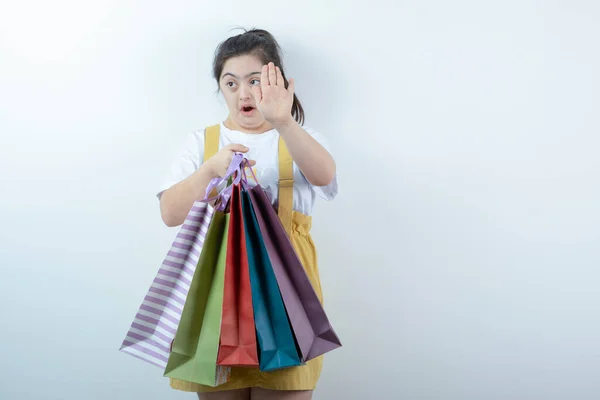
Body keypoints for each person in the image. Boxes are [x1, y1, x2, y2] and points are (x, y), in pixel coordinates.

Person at [156, 28, 338, 400]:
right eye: (231, 82)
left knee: (287, 383)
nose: (243, 92)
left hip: (287, 295)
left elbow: (325, 176)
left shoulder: (297, 136)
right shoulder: (201, 142)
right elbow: (170, 214)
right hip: (219, 294)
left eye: (254, 80)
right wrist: (209, 170)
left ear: (277, 83)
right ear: (220, 88)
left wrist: (284, 121)